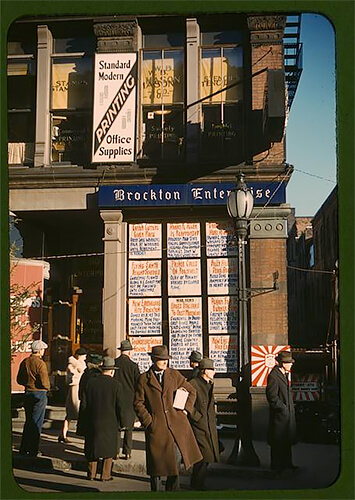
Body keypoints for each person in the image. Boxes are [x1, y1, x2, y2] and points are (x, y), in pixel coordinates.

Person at [134, 345, 203, 492]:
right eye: (161, 359)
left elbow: (191, 391)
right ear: (153, 360)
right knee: (156, 467)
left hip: (176, 426)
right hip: (157, 428)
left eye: (166, 359)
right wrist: (149, 421)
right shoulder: (143, 379)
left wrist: (185, 409)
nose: (165, 362)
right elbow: (138, 403)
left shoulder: (174, 375)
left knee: (174, 466)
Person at [77, 357, 122, 481]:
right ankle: (105, 474)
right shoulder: (116, 385)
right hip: (110, 421)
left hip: (93, 419)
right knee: (109, 448)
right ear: (112, 371)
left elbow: (84, 404)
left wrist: (83, 421)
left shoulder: (91, 383)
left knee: (92, 446)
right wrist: (121, 422)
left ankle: (91, 473)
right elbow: (120, 406)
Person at [188, 357, 220, 490]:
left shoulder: (209, 384)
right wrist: (197, 417)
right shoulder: (193, 384)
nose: (214, 372)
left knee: (206, 457)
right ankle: (197, 484)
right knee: (203, 456)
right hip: (199, 426)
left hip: (209, 425)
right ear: (204, 371)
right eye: (211, 369)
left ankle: (198, 483)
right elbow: (186, 404)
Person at [266, 350, 298, 475]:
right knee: (278, 441)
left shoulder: (284, 374)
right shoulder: (274, 375)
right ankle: (277, 466)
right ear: (281, 363)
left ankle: (288, 464)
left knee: (287, 440)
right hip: (279, 416)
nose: (291, 365)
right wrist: (282, 408)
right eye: (288, 363)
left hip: (286, 414)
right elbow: (272, 397)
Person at [16, 340, 50, 457]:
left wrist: (27, 384)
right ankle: (33, 449)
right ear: (40, 350)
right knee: (37, 423)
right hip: (39, 393)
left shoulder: (25, 362)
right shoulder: (40, 363)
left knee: (29, 421)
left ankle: (24, 447)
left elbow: (19, 379)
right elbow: (44, 381)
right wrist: (48, 388)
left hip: (28, 392)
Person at [114, 339, 140, 459]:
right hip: (129, 398)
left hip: (116, 396)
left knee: (117, 426)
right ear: (129, 352)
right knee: (129, 427)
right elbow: (138, 383)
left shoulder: (114, 364)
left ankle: (115, 451)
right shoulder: (133, 366)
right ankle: (127, 452)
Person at [58, 347, 87, 443]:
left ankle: (64, 434)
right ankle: (64, 434)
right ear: (79, 356)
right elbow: (71, 378)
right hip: (75, 388)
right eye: (84, 355)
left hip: (78, 388)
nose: (85, 357)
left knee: (72, 413)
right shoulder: (72, 366)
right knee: (74, 411)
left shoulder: (81, 364)